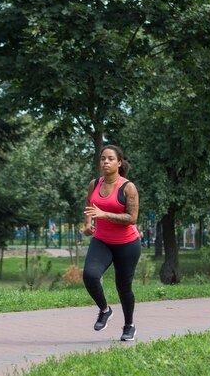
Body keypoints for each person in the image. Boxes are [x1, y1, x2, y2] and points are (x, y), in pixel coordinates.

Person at [83, 145, 141, 342]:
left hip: (127, 244)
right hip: (102, 240)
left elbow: (132, 218)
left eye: (110, 159)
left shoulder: (128, 187)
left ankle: (129, 325)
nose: (105, 162)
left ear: (119, 163)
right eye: (102, 159)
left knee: (123, 287)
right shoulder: (95, 184)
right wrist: (88, 224)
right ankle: (105, 309)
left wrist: (104, 215)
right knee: (90, 275)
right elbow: (89, 205)